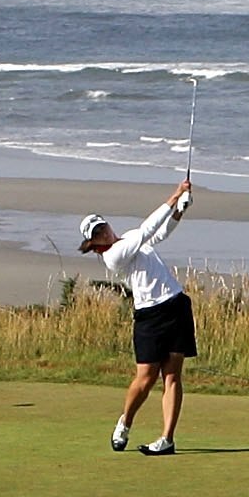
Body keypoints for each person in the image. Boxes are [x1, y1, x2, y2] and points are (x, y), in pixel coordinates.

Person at [77, 182, 197, 455]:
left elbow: (159, 234)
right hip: (150, 316)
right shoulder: (113, 256)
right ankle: (126, 421)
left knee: (172, 376)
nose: (104, 232)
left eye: (102, 226)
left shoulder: (130, 239)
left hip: (176, 305)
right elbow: (147, 230)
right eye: (97, 233)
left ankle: (167, 439)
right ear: (94, 244)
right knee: (145, 377)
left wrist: (180, 210)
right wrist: (174, 196)